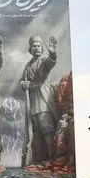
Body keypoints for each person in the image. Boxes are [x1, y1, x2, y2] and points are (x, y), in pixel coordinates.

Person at [20, 35, 59, 164]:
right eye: (34, 46)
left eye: (38, 46)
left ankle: (51, 156)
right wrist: (23, 84)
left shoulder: (44, 61)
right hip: (32, 102)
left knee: (47, 129)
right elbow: (23, 80)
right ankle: (40, 158)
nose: (36, 48)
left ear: (42, 48)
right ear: (30, 49)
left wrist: (52, 53)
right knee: (36, 132)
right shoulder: (28, 65)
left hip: (44, 100)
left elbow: (51, 62)